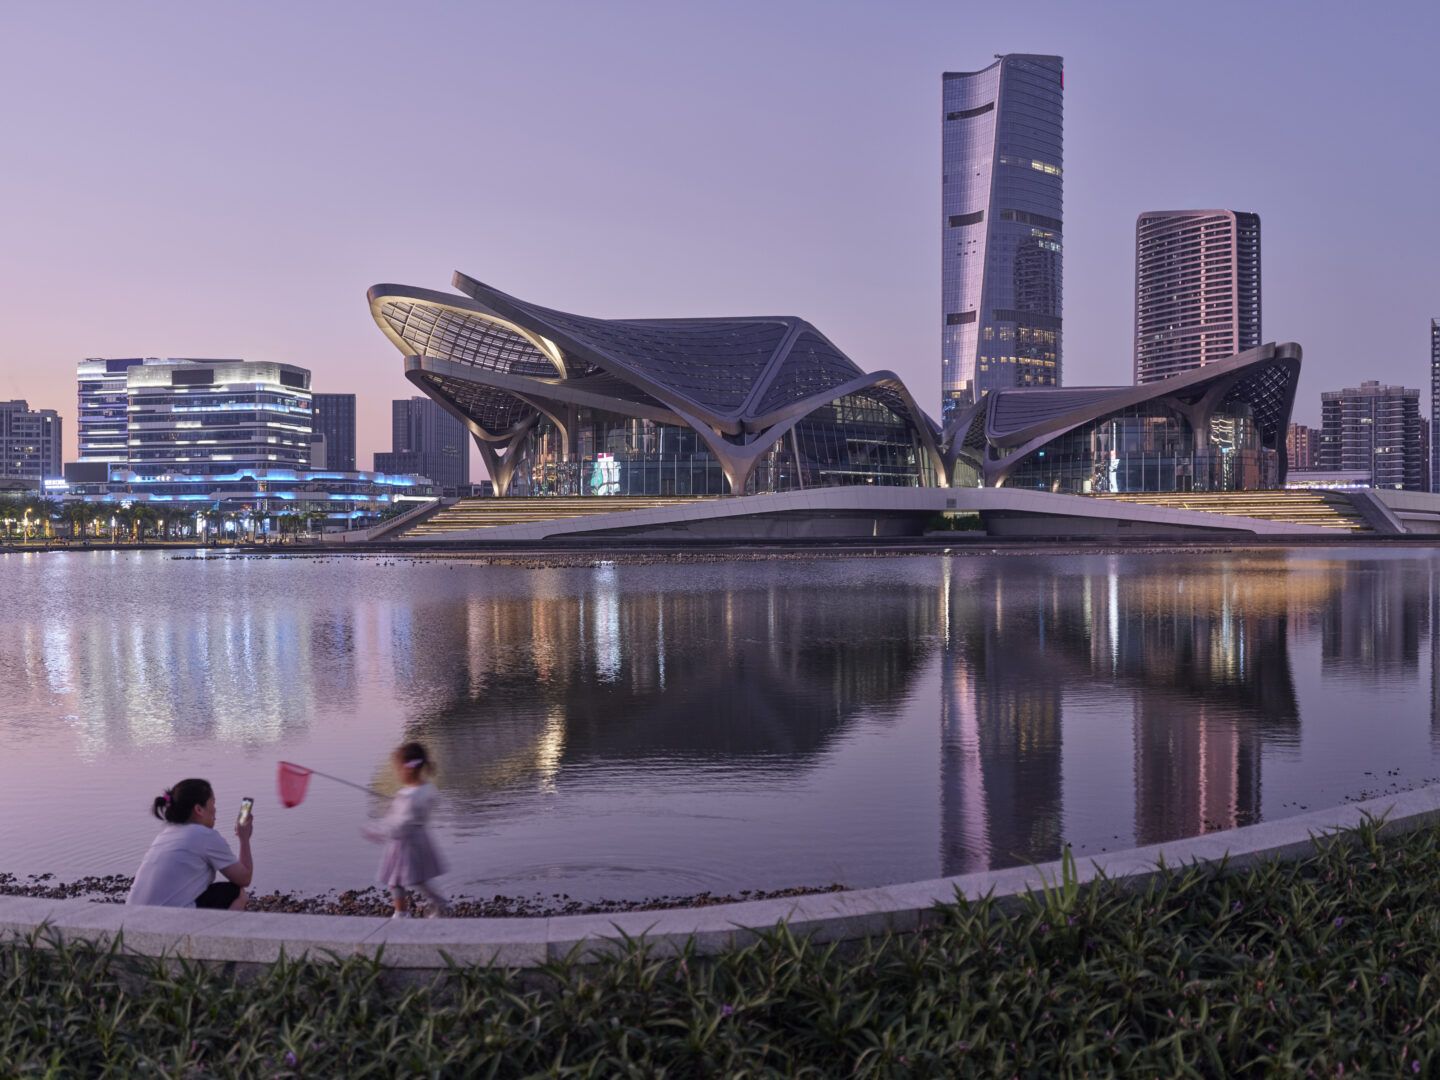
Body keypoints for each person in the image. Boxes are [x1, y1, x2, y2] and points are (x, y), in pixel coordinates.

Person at [126, 778, 254, 910]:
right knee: (237, 893)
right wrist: (244, 838)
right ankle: (217, 931)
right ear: (199, 809)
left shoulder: (165, 834)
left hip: (130, 917)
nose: (215, 810)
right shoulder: (205, 835)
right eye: (213, 803)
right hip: (162, 922)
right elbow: (244, 878)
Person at [364, 741, 449, 918]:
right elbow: (413, 812)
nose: (397, 773)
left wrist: (378, 830)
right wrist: (399, 802)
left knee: (397, 881)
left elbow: (399, 824)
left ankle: (402, 913)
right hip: (420, 838)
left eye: (397, 769)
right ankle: (435, 903)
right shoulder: (427, 789)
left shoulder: (407, 796)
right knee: (417, 879)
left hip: (404, 844)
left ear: (407, 769)